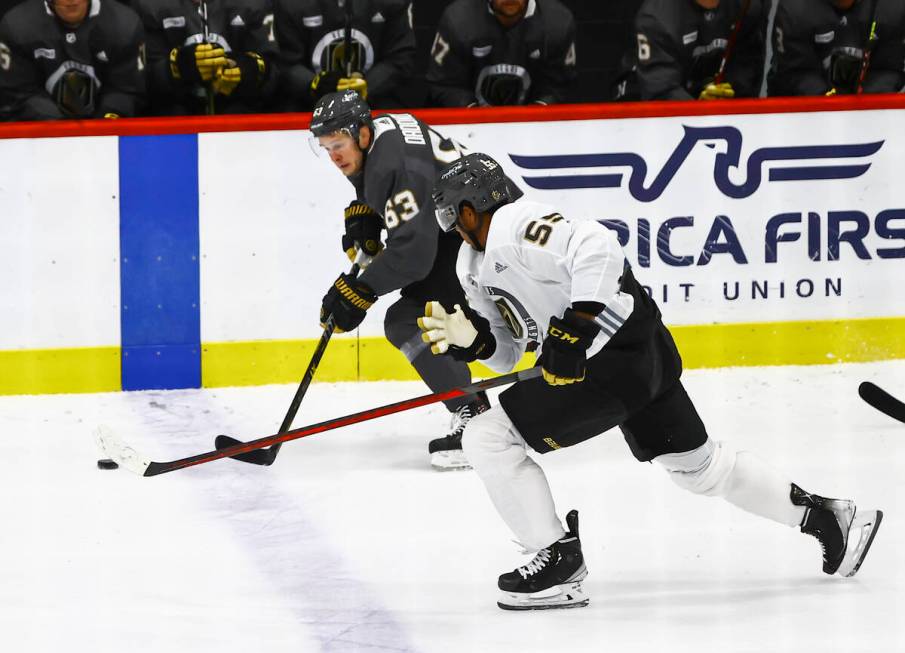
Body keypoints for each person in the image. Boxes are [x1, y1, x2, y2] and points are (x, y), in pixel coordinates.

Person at [417, 152, 884, 610]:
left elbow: (598, 248)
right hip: (636, 353)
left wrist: (574, 329)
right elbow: (509, 355)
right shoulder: (470, 265)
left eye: (449, 217)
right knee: (701, 468)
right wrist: (474, 344)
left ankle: (559, 562)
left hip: (617, 359)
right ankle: (830, 518)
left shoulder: (516, 224)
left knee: (487, 437)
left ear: (468, 209)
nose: (451, 230)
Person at [311, 90, 522, 470]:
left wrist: (360, 290)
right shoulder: (383, 129)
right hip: (471, 231)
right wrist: (368, 210)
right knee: (413, 313)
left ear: (360, 134)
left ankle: (473, 414)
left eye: (338, 144)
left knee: (407, 320)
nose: (334, 156)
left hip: (490, 245)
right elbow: (396, 186)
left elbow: (413, 256)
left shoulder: (395, 165)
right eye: (326, 149)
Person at [0, 0, 145, 120]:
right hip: (40, 138)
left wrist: (104, 124)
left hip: (104, 134)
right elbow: (18, 94)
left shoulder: (124, 25)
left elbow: (126, 90)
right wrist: (57, 125)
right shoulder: (17, 28)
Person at [132, 0, 278, 115]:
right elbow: (140, 83)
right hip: (174, 117)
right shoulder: (148, 6)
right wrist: (178, 67)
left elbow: (277, 76)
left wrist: (251, 69)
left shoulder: (254, 4)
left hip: (238, 117)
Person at [425, 0, 577, 107]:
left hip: (533, 129)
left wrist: (536, 114)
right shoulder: (457, 20)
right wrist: (474, 115)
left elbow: (559, 86)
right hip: (468, 128)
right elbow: (444, 84)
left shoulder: (558, 23)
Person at [273, 0, 415, 111]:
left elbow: (401, 56)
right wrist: (315, 84)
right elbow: (285, 62)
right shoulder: (291, 4)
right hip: (308, 104)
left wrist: (369, 85)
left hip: (376, 101)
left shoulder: (391, 3)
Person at [615, 0, 765, 101]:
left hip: (704, 90)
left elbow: (747, 66)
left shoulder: (747, 7)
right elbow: (659, 90)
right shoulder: (656, 17)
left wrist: (731, 98)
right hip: (642, 100)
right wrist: (698, 109)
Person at [767, 0, 905, 96]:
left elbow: (889, 69)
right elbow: (795, 73)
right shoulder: (794, 10)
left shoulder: (891, 8)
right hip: (804, 114)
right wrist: (829, 99)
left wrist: (863, 103)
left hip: (869, 110)